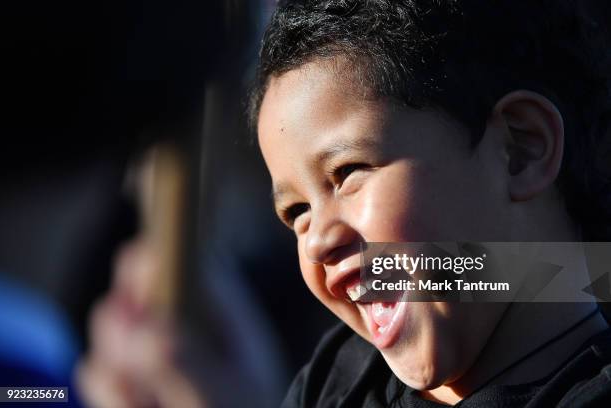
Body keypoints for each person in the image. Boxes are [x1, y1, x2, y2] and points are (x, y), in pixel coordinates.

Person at [249, 0, 611, 406]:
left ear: (520, 149)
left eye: (347, 171)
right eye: (297, 212)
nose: (316, 242)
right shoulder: (332, 382)